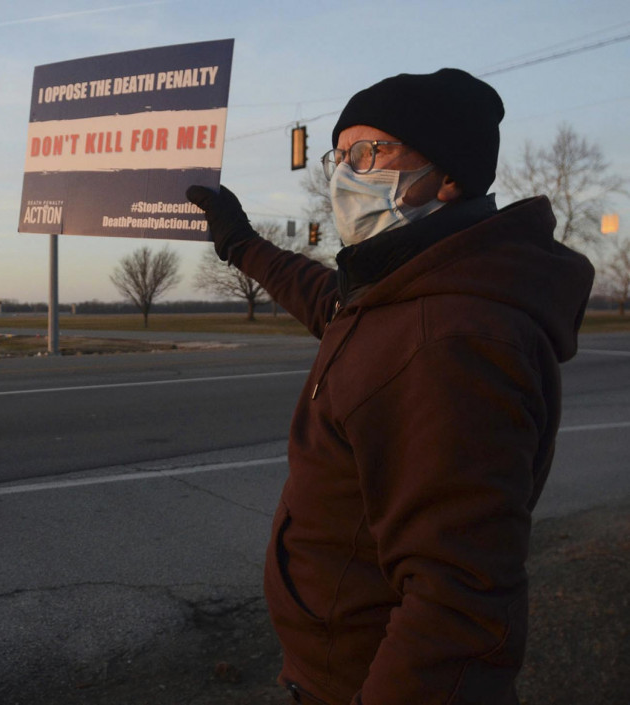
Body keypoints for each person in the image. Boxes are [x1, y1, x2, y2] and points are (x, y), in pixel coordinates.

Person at [187, 68, 594, 705]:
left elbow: (457, 609)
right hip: (332, 668)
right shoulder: (413, 290)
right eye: (339, 155)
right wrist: (241, 245)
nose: (344, 175)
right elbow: (334, 305)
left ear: (450, 174)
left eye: (369, 152)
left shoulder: (450, 338)